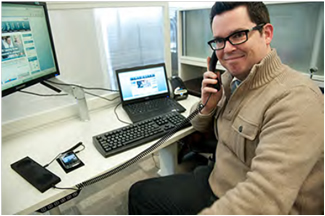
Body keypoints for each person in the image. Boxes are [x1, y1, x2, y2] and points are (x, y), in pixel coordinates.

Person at [128, 2, 324, 214]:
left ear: (266, 34)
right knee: (139, 192)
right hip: (216, 177)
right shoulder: (232, 80)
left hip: (238, 196)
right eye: (219, 40)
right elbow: (197, 124)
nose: (227, 49)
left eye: (238, 35)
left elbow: (263, 199)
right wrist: (207, 105)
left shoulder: (296, 100)